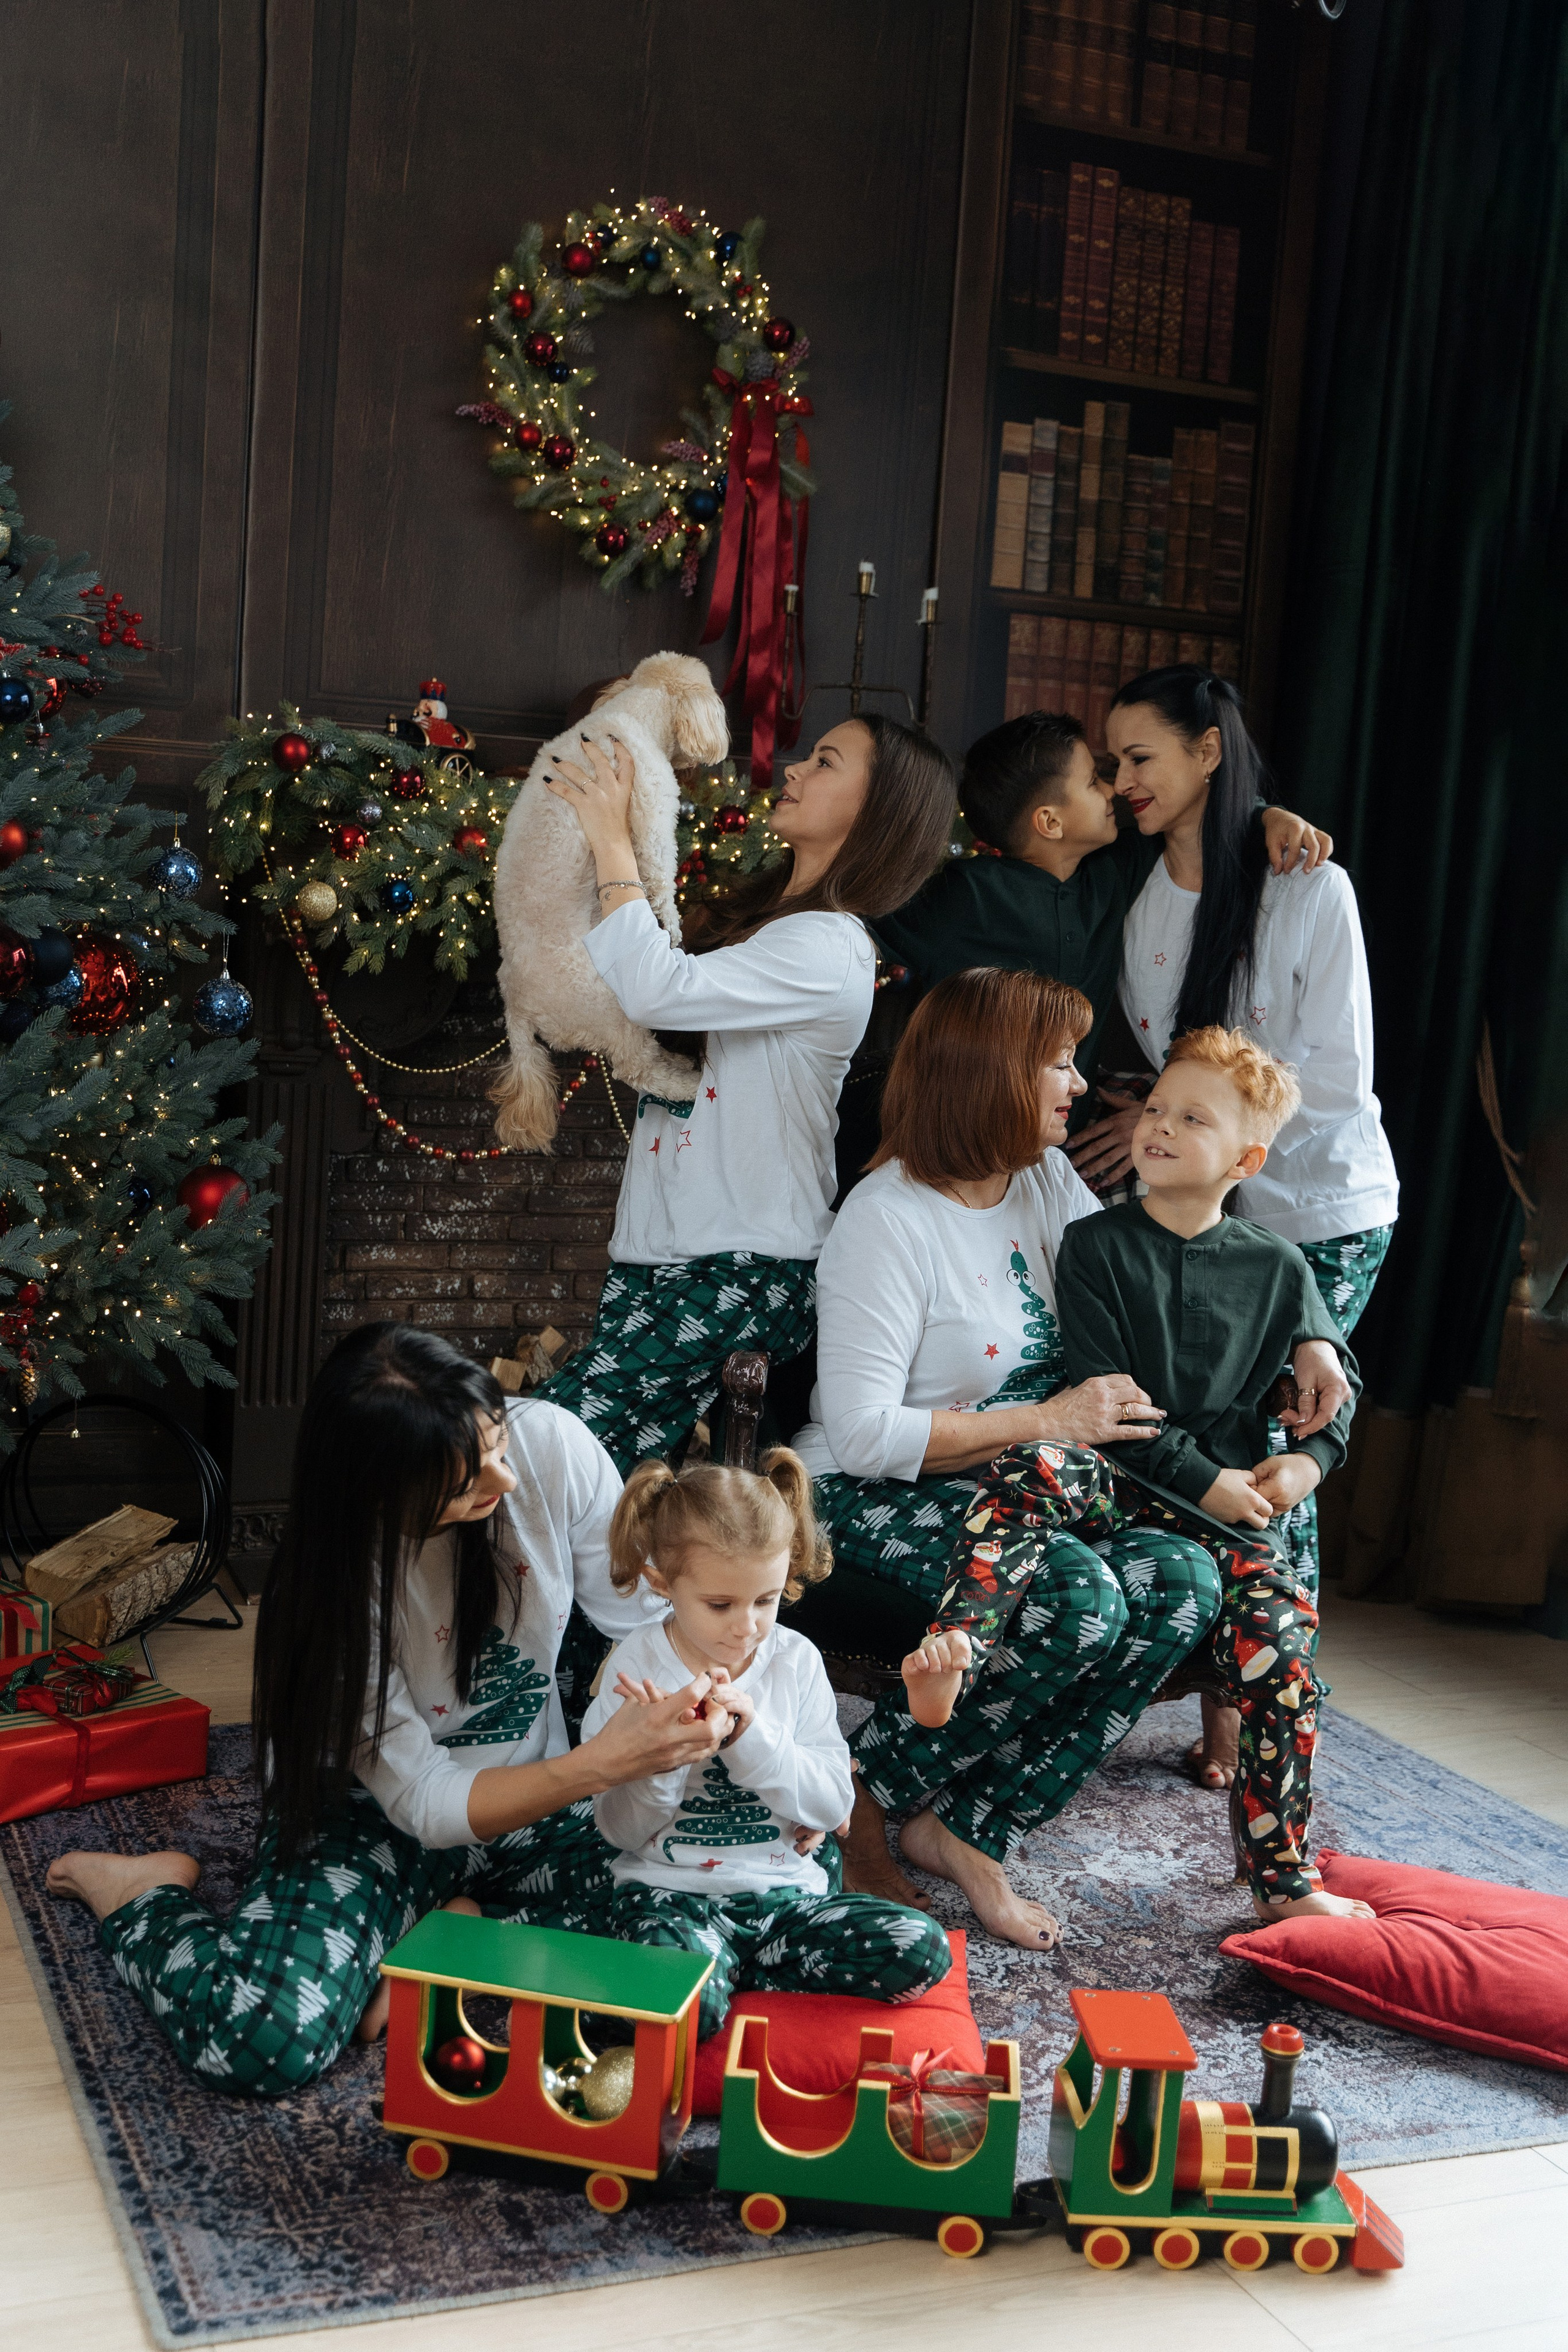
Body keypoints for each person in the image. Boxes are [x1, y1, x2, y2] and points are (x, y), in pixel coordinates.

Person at [793, 968, 1346, 1949]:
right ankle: (864, 1796)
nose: (1080, 1084)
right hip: (866, 1493)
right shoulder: (887, 1220)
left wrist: (1312, 1335)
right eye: (1056, 1061)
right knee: (1081, 1597)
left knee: (1180, 1582)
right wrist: (1046, 1419)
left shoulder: (1042, 1180)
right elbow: (869, 1433)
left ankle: (967, 1826)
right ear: (989, 1074)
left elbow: (1186, 1259)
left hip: (1039, 1482)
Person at [43, 1324, 739, 2097]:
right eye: (464, 1482)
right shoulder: (329, 1597)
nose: (505, 1484)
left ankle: (445, 1942)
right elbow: (428, 1805)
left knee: (723, 1911)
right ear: (377, 1494)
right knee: (259, 2039)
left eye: (498, 1446)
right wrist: (601, 1764)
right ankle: (144, 1896)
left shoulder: (553, 1448)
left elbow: (654, 1622)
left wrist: (742, 1732)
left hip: (533, 1801)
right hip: (375, 1818)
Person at [924, 1027, 1373, 1923]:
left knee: (1285, 1634)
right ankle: (955, 1643)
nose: (1157, 1127)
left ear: (1244, 1157)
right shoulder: (1094, 1246)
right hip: (1121, 1476)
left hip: (1227, 1511)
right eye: (1155, 1108)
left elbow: (1335, 1384)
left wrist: (1310, 1462)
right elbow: (1112, 1406)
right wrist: (1207, 1479)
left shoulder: (1278, 1266)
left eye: (1190, 1119)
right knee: (1038, 1459)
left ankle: (1282, 1879)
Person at [1080, 666, 1399, 1779]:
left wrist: (1199, 1118)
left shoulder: (1311, 887)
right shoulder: (1138, 893)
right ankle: (1224, 1676)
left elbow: (1339, 1074)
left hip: (1315, 1210)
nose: (1122, 783)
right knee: (1188, 1429)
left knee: (1276, 1438)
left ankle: (1255, 1707)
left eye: (1141, 758)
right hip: (1197, 1216)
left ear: (1209, 749)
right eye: (1112, 764)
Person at [539, 712, 957, 1473]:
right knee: (606, 1483)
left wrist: (610, 836)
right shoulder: (770, 927)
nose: (794, 770)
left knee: (555, 1449)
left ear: (877, 813)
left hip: (739, 1262)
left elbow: (656, 991)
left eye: (826, 762)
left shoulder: (829, 944)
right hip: (675, 1249)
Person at [582, 1452, 952, 2042]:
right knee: (675, 2004)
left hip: (787, 1899)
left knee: (921, 1950)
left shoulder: (795, 1661)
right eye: (721, 1605)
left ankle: (727, 1972)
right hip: (674, 1898)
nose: (747, 1627)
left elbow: (833, 1809)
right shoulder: (635, 1670)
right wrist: (662, 1757)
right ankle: (714, 1977)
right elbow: (620, 1833)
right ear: (662, 1582)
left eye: (767, 1599)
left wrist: (754, 1739)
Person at [873, 709, 1332, 1134]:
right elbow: (867, 911)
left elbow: (1199, 815)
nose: (1113, 789)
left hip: (1061, 1141)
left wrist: (1264, 814)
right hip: (957, 1131)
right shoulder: (962, 895)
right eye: (1094, 782)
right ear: (1050, 822)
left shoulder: (1114, 870)